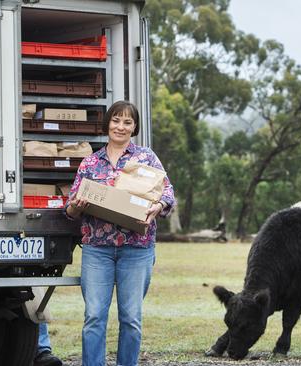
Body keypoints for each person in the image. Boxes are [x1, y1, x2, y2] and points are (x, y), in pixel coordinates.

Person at [64, 100, 176, 366]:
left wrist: (158, 206)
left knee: (131, 319)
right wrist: (76, 207)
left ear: (134, 127)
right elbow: (69, 209)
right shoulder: (90, 162)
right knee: (94, 317)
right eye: (116, 120)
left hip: (136, 249)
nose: (121, 126)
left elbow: (167, 192)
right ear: (107, 124)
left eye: (127, 122)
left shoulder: (145, 158)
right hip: (97, 249)